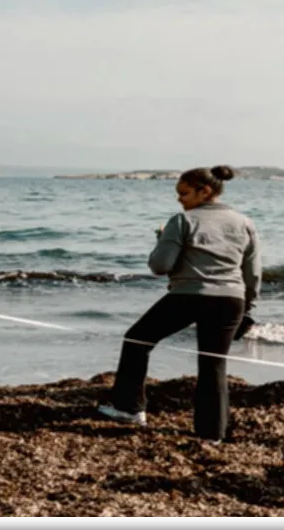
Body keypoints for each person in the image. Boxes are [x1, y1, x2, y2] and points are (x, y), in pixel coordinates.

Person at [97, 165, 261, 442]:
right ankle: (212, 434)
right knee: (213, 365)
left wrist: (162, 239)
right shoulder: (245, 222)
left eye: (183, 193)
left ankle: (129, 408)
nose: (179, 199)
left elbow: (161, 266)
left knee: (137, 340)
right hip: (231, 299)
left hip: (190, 295)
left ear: (205, 191)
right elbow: (253, 272)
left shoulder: (183, 221)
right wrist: (249, 307)